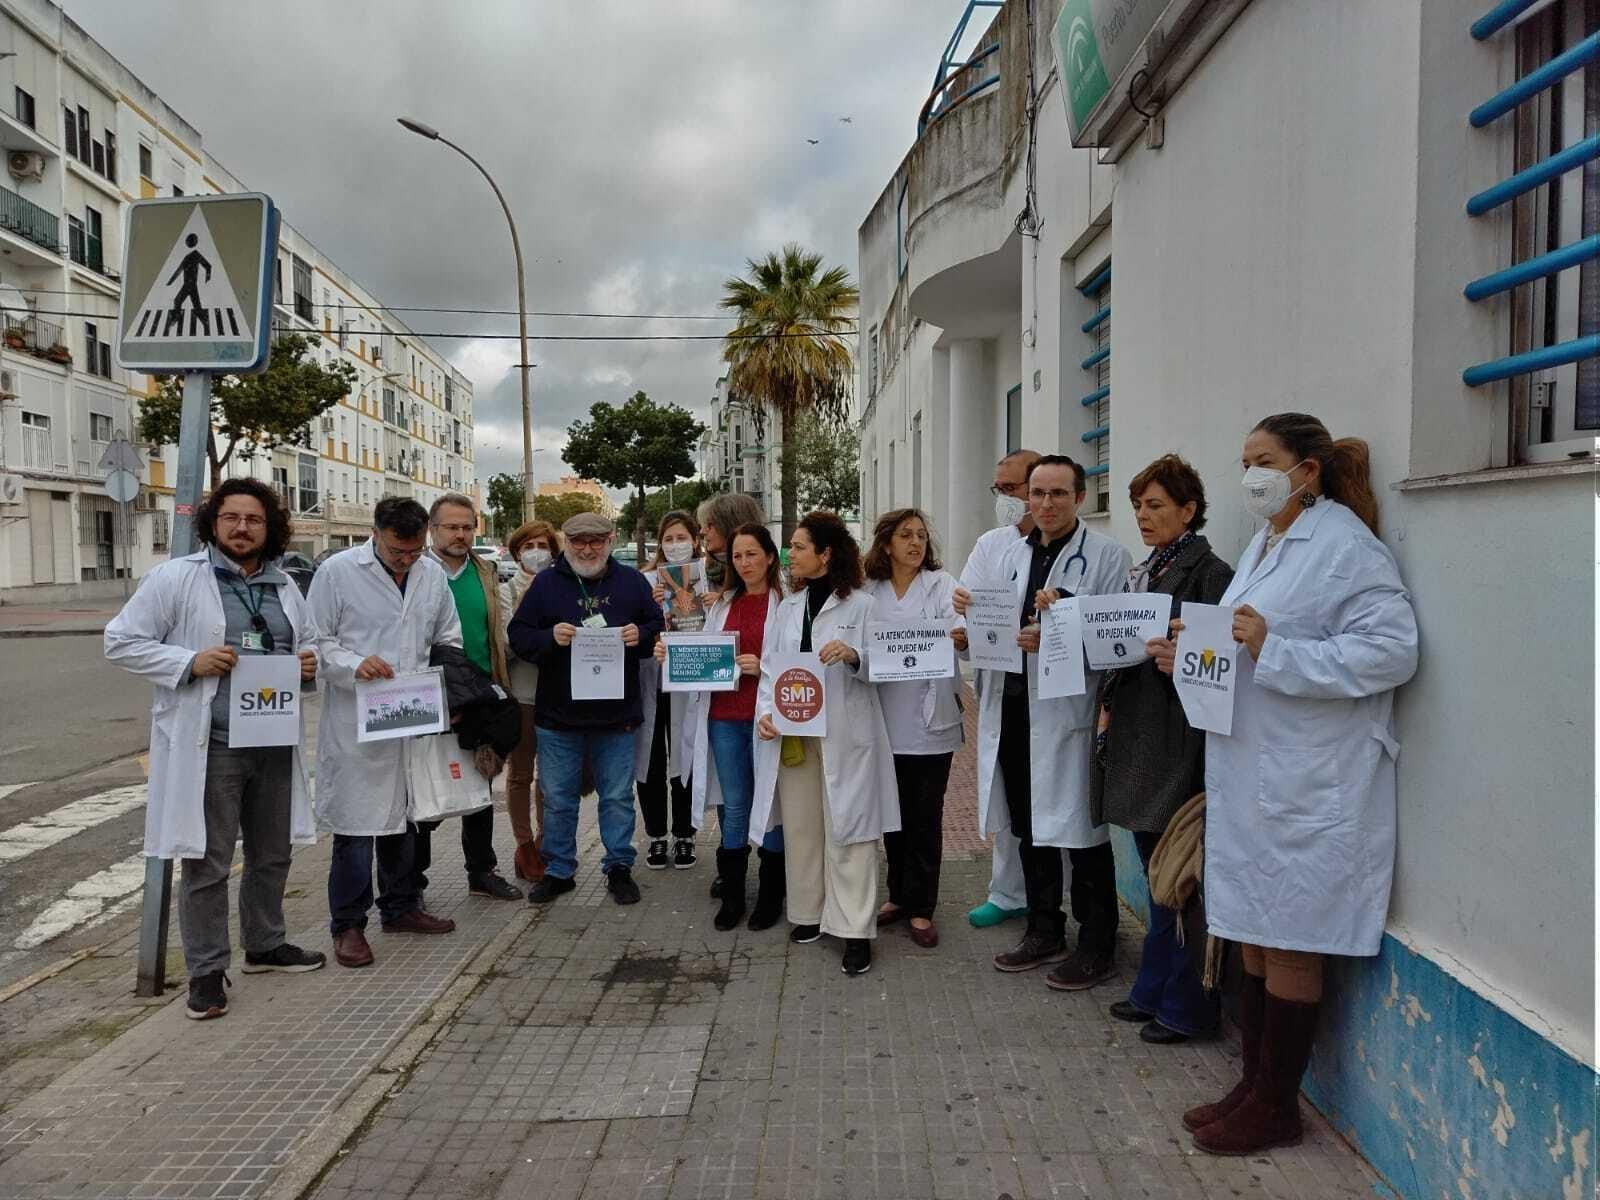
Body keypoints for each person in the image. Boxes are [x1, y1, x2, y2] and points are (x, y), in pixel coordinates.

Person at [1153, 414, 1417, 1156]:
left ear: (1308, 468)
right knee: (1259, 934)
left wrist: (1277, 649)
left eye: (1263, 460)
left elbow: (1392, 652)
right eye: (1243, 461)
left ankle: (1277, 1106)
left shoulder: (1346, 548)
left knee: (1294, 938)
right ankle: (1254, 1086)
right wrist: (1190, 657)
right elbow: (1240, 639)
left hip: (1312, 780)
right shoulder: (1267, 546)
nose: (1250, 476)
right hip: (1258, 774)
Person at [105, 479, 325, 1020]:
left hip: (272, 738)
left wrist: (308, 664)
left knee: (273, 853)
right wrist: (188, 663)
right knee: (207, 862)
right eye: (232, 518)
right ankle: (205, 970)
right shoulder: (176, 578)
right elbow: (120, 640)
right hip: (214, 744)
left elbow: (312, 640)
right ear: (213, 523)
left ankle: (265, 944)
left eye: (253, 519)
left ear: (269, 527)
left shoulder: (283, 585)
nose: (242, 527)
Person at [1090, 456, 1234, 1044]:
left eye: (1155, 506)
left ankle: (1188, 1005)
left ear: (1188, 510)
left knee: (1180, 874)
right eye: (1138, 507)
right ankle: (1152, 987)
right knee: (1156, 869)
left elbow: (1215, 668)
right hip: (1136, 733)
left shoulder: (1210, 574)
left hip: (1177, 742)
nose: (1143, 517)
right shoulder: (1145, 569)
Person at [975, 455, 1131, 989]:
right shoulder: (1013, 553)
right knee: (1028, 827)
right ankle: (1044, 929)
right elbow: (988, 618)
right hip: (1014, 706)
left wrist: (1060, 625)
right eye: (1036, 494)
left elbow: (1119, 639)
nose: (1044, 504)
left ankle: (1097, 944)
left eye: (1057, 494)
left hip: (1070, 714)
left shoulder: (1107, 556)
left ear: (1080, 498)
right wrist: (968, 621)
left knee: (1083, 834)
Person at [309, 498, 463, 969]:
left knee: (408, 817)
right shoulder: (337, 572)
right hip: (358, 718)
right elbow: (316, 641)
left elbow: (447, 637)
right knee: (356, 826)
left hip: (412, 711)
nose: (406, 560)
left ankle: (402, 906)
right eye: (399, 550)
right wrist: (356, 664)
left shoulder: (431, 574)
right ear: (375, 533)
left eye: (415, 551)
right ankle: (349, 924)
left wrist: (446, 689)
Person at [751, 511, 899, 977]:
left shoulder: (862, 605)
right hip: (796, 734)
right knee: (801, 827)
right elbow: (772, 670)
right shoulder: (788, 607)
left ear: (826, 553)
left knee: (849, 831)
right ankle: (809, 913)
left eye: (798, 547)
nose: (790, 555)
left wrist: (855, 656)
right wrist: (766, 715)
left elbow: (888, 663)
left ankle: (855, 930)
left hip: (845, 734)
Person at [507, 512, 663, 906]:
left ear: (611, 539)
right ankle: (559, 869)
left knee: (617, 796)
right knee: (557, 796)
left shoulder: (631, 582)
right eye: (578, 541)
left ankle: (619, 866)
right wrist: (549, 637)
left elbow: (657, 628)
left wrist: (640, 634)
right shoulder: (545, 584)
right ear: (567, 542)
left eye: (595, 540)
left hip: (618, 715)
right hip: (559, 715)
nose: (587, 548)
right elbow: (519, 637)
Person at [660, 522, 787, 930]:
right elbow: (701, 651)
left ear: (770, 556)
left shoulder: (788, 604)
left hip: (768, 720)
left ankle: (770, 896)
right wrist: (671, 652)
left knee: (770, 805)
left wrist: (762, 666)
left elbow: (802, 662)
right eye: (737, 555)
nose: (745, 562)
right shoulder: (721, 604)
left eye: (752, 554)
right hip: (725, 718)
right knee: (734, 806)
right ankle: (733, 895)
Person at [861, 509, 963, 950]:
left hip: (930, 723)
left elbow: (962, 624)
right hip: (883, 721)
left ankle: (921, 906)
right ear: (886, 544)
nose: (916, 543)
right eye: (906, 535)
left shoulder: (941, 585)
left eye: (922, 535)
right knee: (893, 817)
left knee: (925, 817)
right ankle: (898, 896)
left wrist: (961, 636)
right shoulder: (869, 591)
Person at [416, 493, 523, 901]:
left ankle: (482, 870)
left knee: (481, 786)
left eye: (467, 527)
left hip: (481, 694)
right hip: (432, 697)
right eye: (451, 527)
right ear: (433, 529)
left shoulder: (486, 572)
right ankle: (414, 880)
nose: (460, 534)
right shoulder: (418, 572)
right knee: (425, 790)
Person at [952, 449, 1040, 929]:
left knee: (1045, 805)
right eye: (999, 490)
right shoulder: (991, 544)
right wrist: (963, 624)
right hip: (1002, 690)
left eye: (1012, 489)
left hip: (1049, 696)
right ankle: (1007, 893)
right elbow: (965, 608)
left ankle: (1050, 900)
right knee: (1007, 799)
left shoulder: (1078, 549)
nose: (1004, 499)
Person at [693, 490, 769, 899]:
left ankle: (774, 879)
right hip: (723, 711)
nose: (703, 533)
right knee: (731, 796)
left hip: (764, 712)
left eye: (709, 526)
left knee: (767, 793)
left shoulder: (781, 595)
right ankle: (733, 877)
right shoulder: (710, 583)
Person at [636, 511, 703, 870]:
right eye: (669, 539)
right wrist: (654, 603)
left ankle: (685, 834)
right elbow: (636, 627)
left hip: (688, 678)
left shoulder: (707, 579)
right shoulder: (645, 580)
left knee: (685, 753)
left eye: (682, 537)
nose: (675, 545)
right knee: (650, 757)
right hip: (652, 678)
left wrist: (704, 602)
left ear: (696, 539)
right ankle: (657, 835)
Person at [503, 519, 560, 881]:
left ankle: (545, 842)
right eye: (528, 546)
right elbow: (507, 644)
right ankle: (523, 847)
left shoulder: (561, 588)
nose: (536, 552)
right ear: (517, 553)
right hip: (522, 695)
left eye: (543, 545)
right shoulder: (506, 591)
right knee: (520, 774)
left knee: (551, 778)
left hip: (556, 695)